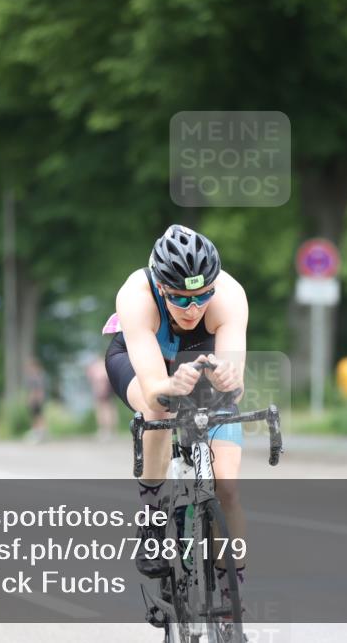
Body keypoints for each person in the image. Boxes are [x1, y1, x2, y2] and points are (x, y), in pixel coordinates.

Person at [103, 225, 248, 595]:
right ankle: (152, 515)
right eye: (181, 299)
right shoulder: (137, 295)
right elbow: (154, 389)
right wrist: (170, 385)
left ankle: (233, 586)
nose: (194, 308)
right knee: (160, 412)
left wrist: (227, 378)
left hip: (200, 364)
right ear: (163, 288)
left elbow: (236, 387)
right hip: (143, 364)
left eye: (202, 296)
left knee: (227, 487)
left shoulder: (229, 295)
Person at [85, 356, 116, 440]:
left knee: (105, 409)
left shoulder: (98, 366)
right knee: (106, 409)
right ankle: (107, 430)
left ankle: (107, 430)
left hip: (103, 390)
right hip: (104, 389)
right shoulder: (104, 364)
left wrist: (101, 389)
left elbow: (100, 379)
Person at [25, 357, 48, 443]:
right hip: (34, 399)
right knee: (35, 416)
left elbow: (38, 389)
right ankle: (38, 433)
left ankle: (40, 433)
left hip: (36, 400)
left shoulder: (37, 376)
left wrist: (36, 399)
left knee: (38, 416)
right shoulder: (34, 376)